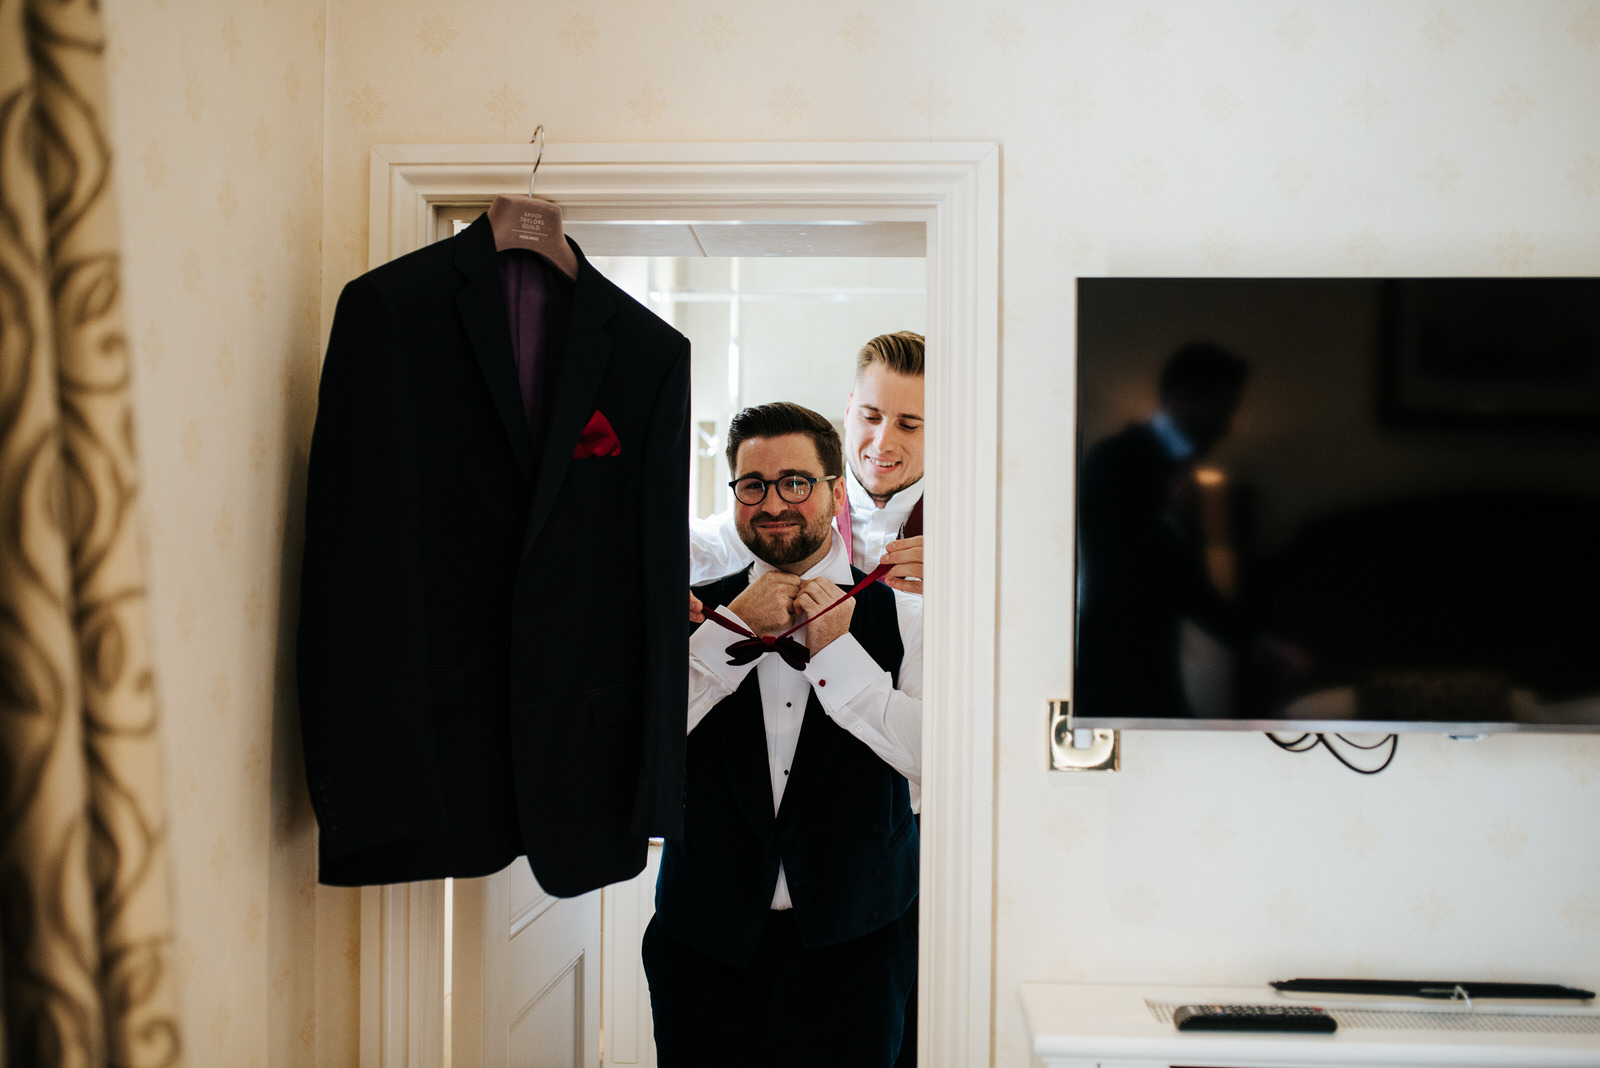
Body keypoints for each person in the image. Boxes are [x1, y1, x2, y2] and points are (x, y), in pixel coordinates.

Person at [645, 402, 920, 1067]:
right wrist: (721, 634)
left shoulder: (908, 609)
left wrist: (838, 654)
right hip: (701, 951)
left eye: (796, 481)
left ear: (834, 491)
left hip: (863, 947)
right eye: (753, 485)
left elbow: (938, 755)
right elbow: (631, 750)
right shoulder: (674, 610)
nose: (775, 502)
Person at [1075, 341, 1254, 719]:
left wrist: (1257, 643)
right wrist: (1171, 520)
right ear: (1182, 398)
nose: (1226, 425)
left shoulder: (1184, 470)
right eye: (1221, 410)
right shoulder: (1113, 458)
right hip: (1113, 669)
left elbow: (1188, 585)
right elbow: (1117, 567)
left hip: (1155, 664)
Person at [690, 330, 926, 596]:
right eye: (870, 417)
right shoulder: (770, 519)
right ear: (848, 412)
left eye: (908, 425)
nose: (883, 443)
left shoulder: (966, 545)